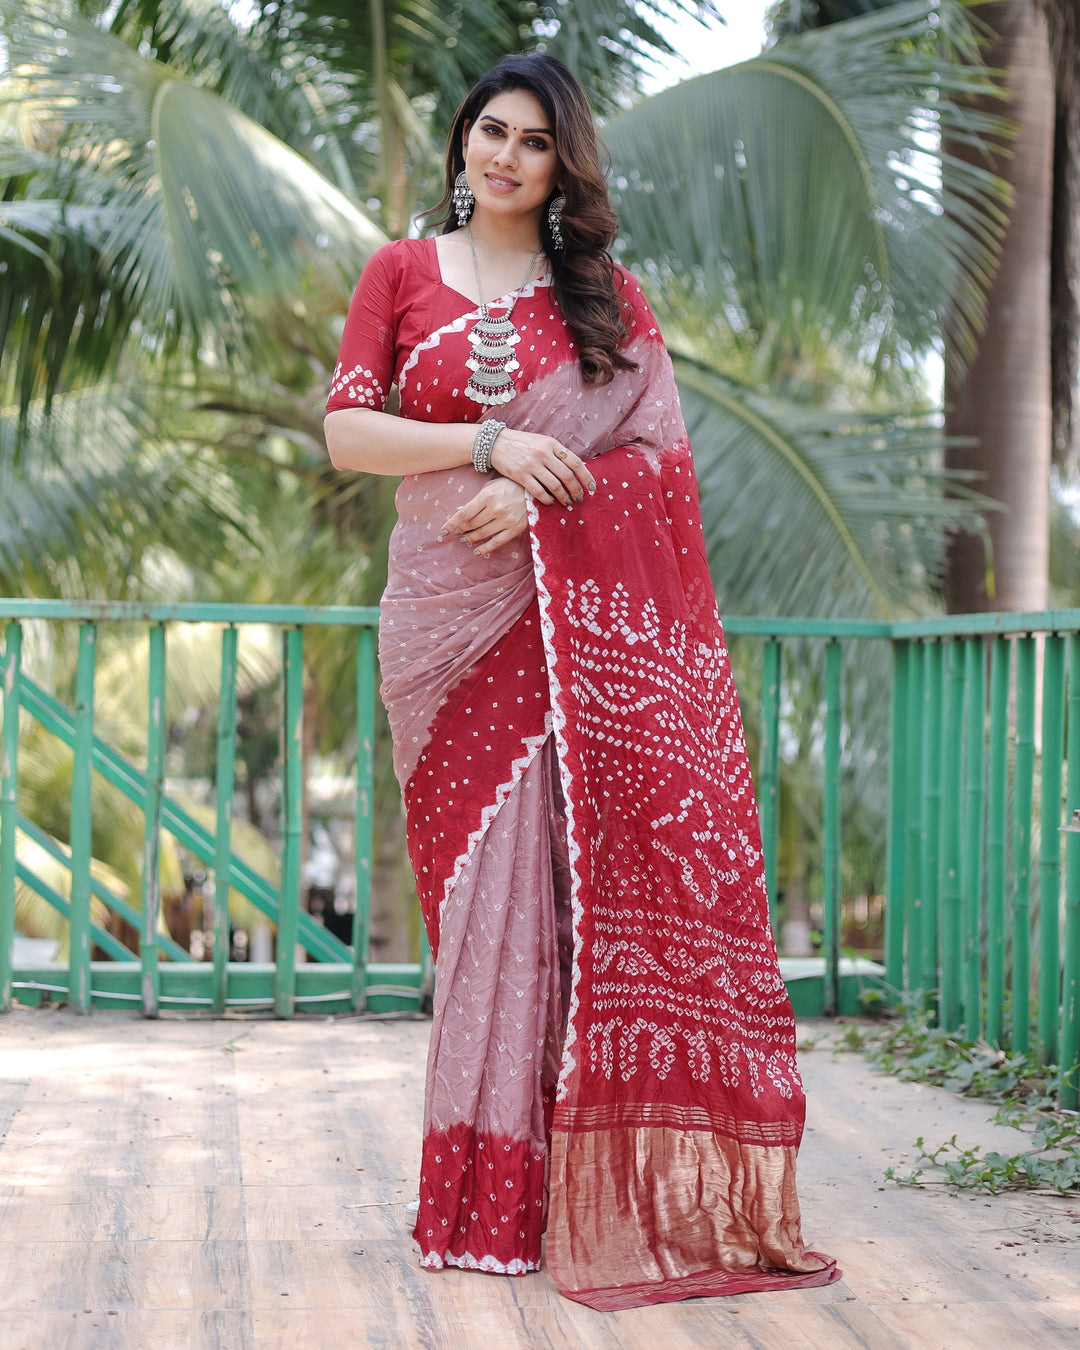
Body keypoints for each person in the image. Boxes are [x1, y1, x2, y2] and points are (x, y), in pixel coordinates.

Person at [324, 52, 839, 1311]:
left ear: (565, 165)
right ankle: (476, 1189)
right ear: (461, 144)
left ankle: (549, 1198)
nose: (502, 157)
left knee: (567, 901)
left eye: (533, 142)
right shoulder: (399, 272)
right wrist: (494, 441)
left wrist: (551, 494)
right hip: (445, 632)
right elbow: (348, 432)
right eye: (487, 132)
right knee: (479, 911)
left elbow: (662, 461)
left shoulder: (605, 297)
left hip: (571, 640)